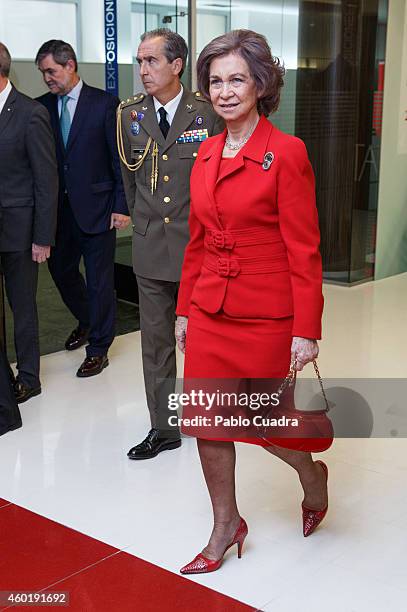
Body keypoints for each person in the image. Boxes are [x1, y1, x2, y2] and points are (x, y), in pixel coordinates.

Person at [174, 30, 332, 574]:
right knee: (207, 420)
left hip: (268, 314)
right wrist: (183, 312)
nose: (224, 91)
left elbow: (305, 249)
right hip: (210, 311)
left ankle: (311, 474)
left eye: (236, 78)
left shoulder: (287, 153)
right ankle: (226, 524)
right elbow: (197, 240)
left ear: (260, 84)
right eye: (215, 81)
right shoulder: (206, 152)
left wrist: (306, 329)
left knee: (265, 425)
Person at [118, 29, 224, 460]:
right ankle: (164, 427)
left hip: (198, 247)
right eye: (140, 62)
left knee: (205, 340)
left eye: (151, 61)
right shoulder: (128, 115)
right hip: (149, 247)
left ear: (176, 65)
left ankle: (208, 416)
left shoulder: (208, 112)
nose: (143, 70)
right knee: (156, 342)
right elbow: (131, 182)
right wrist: (144, 226)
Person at [35, 40, 130, 378]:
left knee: (100, 281)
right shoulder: (41, 107)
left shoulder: (105, 105)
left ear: (70, 65)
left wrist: (122, 205)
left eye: (51, 71)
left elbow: (120, 159)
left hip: (99, 208)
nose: (47, 78)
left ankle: (100, 347)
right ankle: (89, 319)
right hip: (59, 213)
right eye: (43, 72)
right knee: (61, 273)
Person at [0, 42, 58, 403]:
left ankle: (29, 376)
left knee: (22, 307)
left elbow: (46, 180)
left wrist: (42, 237)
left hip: (20, 232)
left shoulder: (30, 113)